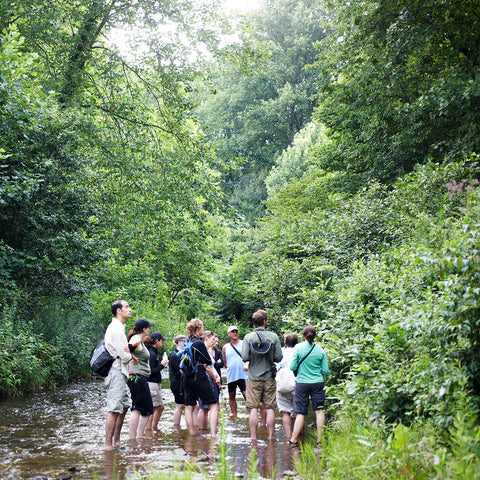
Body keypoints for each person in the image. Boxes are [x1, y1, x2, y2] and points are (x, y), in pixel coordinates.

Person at [242, 310, 282, 441]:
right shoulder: (274, 337)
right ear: (265, 321)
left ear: (254, 322)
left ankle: (253, 438)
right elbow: (278, 357)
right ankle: (270, 438)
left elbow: (245, 357)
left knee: (253, 408)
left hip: (253, 377)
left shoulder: (248, 337)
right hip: (269, 377)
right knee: (270, 408)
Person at [288, 326, 329, 447]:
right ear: (315, 336)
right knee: (319, 411)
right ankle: (320, 440)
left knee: (301, 412)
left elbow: (292, 367)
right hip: (318, 383)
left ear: (303, 335)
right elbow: (325, 371)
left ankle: (294, 440)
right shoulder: (320, 350)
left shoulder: (298, 348)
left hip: (302, 383)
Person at [104, 299, 135, 450]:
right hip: (116, 371)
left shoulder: (120, 327)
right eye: (126, 307)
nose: (130, 310)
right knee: (114, 408)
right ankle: (108, 445)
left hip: (120, 371)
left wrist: (129, 354)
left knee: (124, 406)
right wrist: (132, 357)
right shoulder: (116, 329)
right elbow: (123, 354)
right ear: (118, 311)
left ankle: (116, 441)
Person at [183, 318, 220, 438]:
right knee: (213, 405)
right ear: (198, 328)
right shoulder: (199, 343)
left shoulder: (185, 342)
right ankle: (214, 435)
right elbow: (208, 361)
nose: (203, 330)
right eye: (202, 327)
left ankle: (192, 434)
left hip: (187, 376)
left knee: (189, 406)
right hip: (199, 375)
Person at [126, 318, 155, 440]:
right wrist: (131, 356)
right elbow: (128, 347)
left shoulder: (139, 339)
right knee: (137, 407)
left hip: (141, 378)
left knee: (148, 409)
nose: (150, 329)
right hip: (136, 377)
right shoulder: (136, 338)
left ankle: (140, 437)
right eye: (149, 327)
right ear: (144, 329)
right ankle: (133, 439)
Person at [197, 331, 222, 432]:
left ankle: (202, 430)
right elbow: (206, 367)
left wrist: (217, 376)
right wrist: (216, 378)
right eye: (212, 339)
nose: (214, 341)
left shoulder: (207, 350)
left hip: (208, 380)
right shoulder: (204, 350)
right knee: (207, 407)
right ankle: (209, 432)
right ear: (206, 339)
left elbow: (211, 366)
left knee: (204, 407)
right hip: (207, 380)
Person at [222, 325, 248, 419]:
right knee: (231, 395)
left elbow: (249, 357)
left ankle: (252, 413)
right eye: (233, 332)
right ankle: (234, 415)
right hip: (231, 375)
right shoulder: (225, 347)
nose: (235, 333)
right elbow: (225, 363)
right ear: (229, 334)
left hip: (243, 374)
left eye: (236, 331)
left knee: (246, 394)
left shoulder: (244, 344)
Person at [276, 333, 298, 441]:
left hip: (282, 383)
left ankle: (288, 437)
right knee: (299, 413)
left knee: (285, 412)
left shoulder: (280, 352)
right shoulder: (299, 352)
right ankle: (298, 437)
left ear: (285, 342)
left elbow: (275, 366)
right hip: (297, 383)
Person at [145, 331, 169, 430]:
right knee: (153, 408)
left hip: (155, 383)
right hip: (151, 383)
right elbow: (150, 371)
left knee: (160, 407)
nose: (162, 343)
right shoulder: (151, 353)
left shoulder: (153, 352)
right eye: (161, 340)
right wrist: (162, 365)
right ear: (156, 341)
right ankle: (149, 430)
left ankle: (154, 428)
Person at [169, 334, 187, 427]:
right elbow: (180, 371)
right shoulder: (174, 355)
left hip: (181, 383)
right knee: (179, 406)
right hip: (177, 384)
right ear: (180, 342)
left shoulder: (182, 354)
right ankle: (176, 427)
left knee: (183, 406)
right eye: (185, 341)